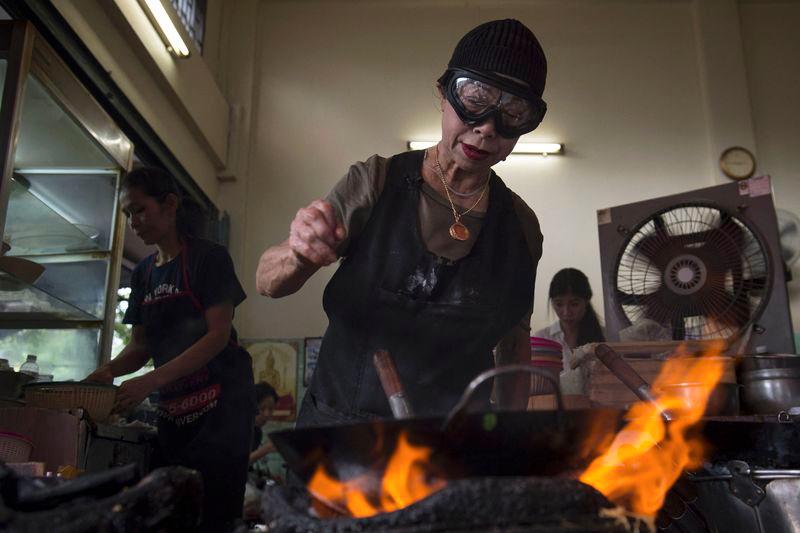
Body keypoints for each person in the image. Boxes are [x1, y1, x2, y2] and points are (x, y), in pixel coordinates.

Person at [257, 19, 546, 426]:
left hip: (451, 450)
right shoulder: (374, 182)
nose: (486, 129)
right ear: (443, 93)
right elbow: (267, 282)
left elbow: (515, 350)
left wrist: (511, 444)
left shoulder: (520, 229)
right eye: (475, 99)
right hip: (341, 439)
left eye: (513, 113)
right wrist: (300, 254)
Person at [86, 167, 255, 532]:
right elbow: (141, 346)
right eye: (129, 214)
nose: (134, 222)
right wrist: (107, 373)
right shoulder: (145, 273)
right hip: (175, 412)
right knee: (171, 512)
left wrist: (149, 382)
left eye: (140, 210)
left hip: (222, 410)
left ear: (171, 204)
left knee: (214, 515)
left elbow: (217, 336)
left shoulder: (209, 259)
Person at [534, 268, 606, 393]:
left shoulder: (606, 336)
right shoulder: (542, 339)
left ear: (587, 301)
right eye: (559, 304)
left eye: (574, 304)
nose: (566, 312)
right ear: (552, 302)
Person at [250, 381, 279, 464]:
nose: (267, 414)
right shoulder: (239, 429)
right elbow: (236, 465)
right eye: (262, 408)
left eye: (271, 409)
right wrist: (265, 449)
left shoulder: (257, 432)